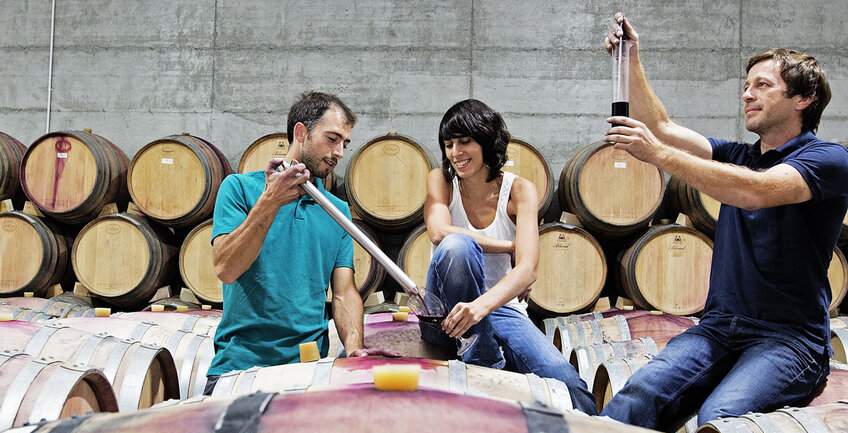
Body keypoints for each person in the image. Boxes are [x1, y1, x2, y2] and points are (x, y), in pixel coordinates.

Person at [599, 14, 848, 432]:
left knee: (721, 418)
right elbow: (660, 126)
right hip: (719, 327)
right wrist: (631, 59)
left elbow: (756, 191)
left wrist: (660, 154)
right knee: (637, 396)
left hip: (788, 339)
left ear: (803, 98)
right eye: (746, 85)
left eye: (762, 86)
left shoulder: (826, 159)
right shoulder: (739, 154)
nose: (747, 95)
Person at [206, 91, 393, 394]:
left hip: (308, 371)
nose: (340, 152)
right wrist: (270, 201)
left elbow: (344, 293)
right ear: (301, 132)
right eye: (332, 139)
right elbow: (226, 268)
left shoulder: (338, 211)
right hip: (240, 368)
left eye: (345, 143)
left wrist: (355, 345)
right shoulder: (239, 188)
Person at [420, 99, 597, 414]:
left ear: (487, 141)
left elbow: (527, 270)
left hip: (498, 307)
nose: (455, 152)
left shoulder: (520, 190)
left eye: (465, 141)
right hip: (443, 311)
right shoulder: (442, 181)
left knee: (565, 381)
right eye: (448, 144)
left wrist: (480, 308)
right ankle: (483, 359)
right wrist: (509, 246)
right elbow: (438, 232)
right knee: (458, 245)